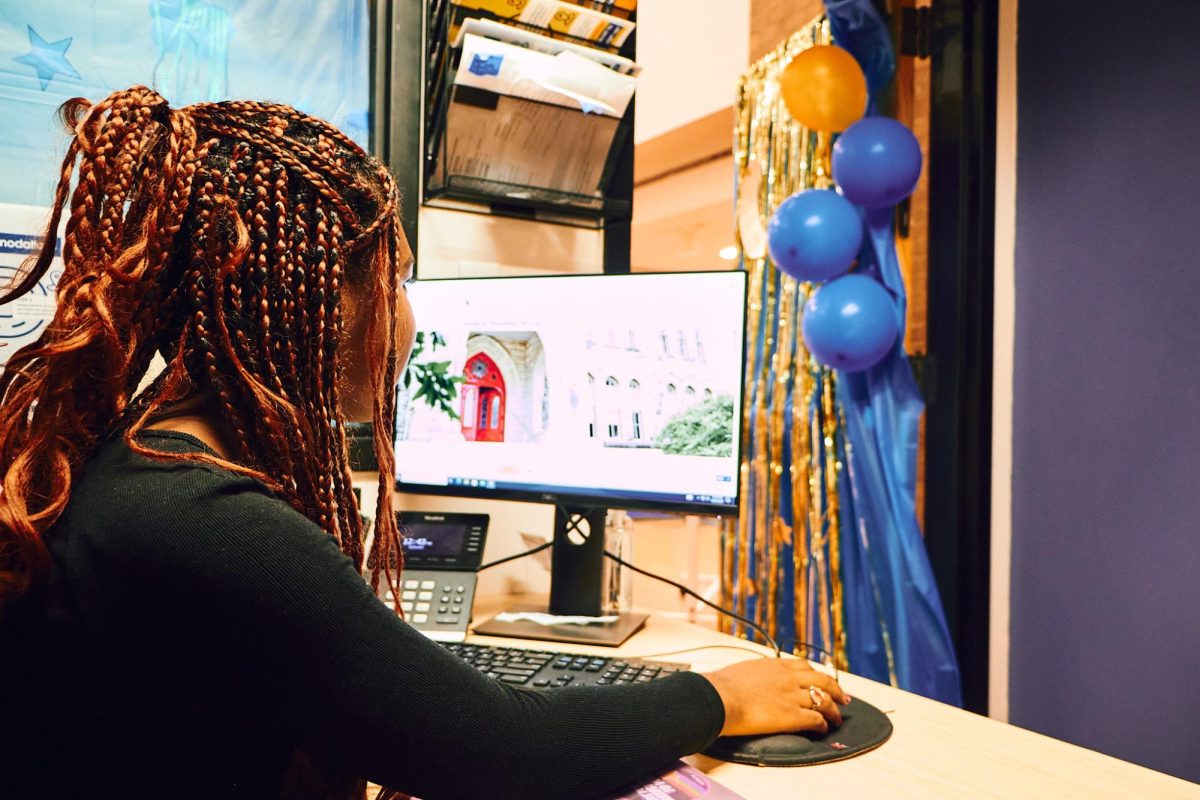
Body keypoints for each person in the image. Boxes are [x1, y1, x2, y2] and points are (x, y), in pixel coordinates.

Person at [0, 87, 848, 800]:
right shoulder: (203, 523)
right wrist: (716, 696)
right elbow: (503, 752)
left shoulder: (149, 464)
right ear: (310, 297)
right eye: (394, 278)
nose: (409, 314)